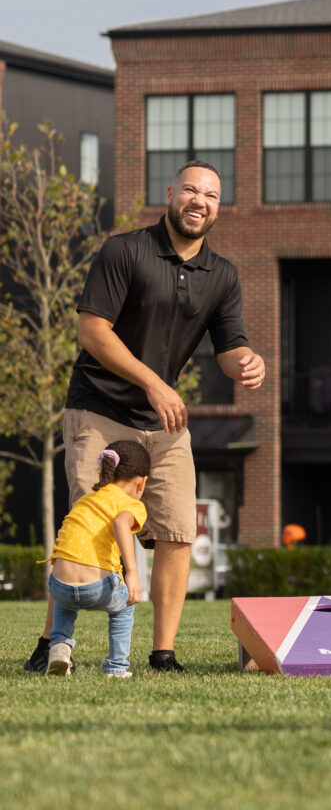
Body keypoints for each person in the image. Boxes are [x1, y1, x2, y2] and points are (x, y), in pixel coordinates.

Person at [24, 160, 267, 675]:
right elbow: (92, 331)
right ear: (170, 193)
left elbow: (229, 346)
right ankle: (52, 643)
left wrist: (245, 362)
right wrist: (154, 382)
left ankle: (162, 654)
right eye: (191, 191)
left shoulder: (221, 275)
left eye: (212, 196)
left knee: (178, 530)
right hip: (101, 409)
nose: (200, 201)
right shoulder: (125, 251)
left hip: (163, 424)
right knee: (87, 526)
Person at [43, 441, 150, 677]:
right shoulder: (133, 504)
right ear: (141, 482)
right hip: (97, 588)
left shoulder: (87, 499)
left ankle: (60, 648)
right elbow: (121, 523)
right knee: (124, 608)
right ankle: (117, 667)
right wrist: (131, 572)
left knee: (65, 602)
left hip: (59, 586)